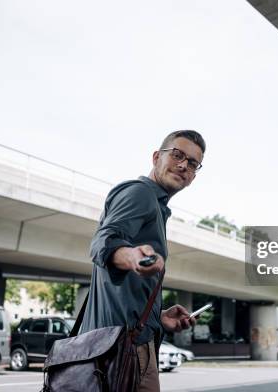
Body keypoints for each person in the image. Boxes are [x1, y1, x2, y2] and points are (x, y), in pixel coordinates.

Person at [79, 130, 206, 391]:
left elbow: (121, 293)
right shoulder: (141, 193)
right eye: (178, 155)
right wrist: (133, 256)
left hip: (121, 348)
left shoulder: (157, 208)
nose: (183, 165)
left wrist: (158, 318)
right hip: (123, 353)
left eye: (192, 163)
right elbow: (104, 242)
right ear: (156, 156)